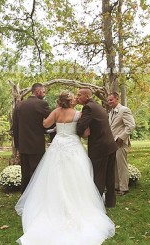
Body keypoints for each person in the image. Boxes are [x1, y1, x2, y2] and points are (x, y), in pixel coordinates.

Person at [16, 91, 115, 244]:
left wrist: (57, 127)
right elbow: (86, 132)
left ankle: (53, 205)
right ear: (70, 101)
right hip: (73, 147)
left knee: (54, 176)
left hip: (57, 146)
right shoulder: (78, 114)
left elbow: (44, 124)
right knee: (78, 176)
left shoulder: (56, 112)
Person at [76, 88, 118, 208]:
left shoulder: (88, 108)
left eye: (80, 95)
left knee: (98, 175)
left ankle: (97, 203)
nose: (77, 97)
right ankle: (110, 202)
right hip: (110, 145)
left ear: (87, 96)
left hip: (100, 147)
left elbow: (81, 127)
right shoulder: (98, 106)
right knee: (109, 175)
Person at [11, 83, 51, 193]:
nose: (44, 94)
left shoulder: (19, 105)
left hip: (23, 145)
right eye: (43, 92)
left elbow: (15, 126)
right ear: (38, 91)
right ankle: (37, 195)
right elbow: (51, 122)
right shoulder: (42, 104)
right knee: (37, 171)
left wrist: (18, 145)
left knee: (25, 172)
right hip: (36, 144)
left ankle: (24, 195)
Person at [107, 92, 136, 196]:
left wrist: (121, 138)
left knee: (121, 165)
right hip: (112, 143)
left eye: (111, 100)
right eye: (108, 100)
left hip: (120, 143)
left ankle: (124, 188)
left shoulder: (124, 110)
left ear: (117, 99)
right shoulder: (111, 112)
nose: (109, 102)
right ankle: (116, 186)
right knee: (114, 165)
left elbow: (131, 125)